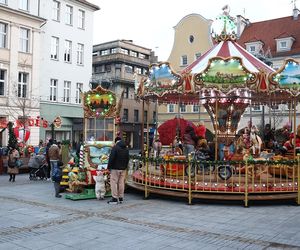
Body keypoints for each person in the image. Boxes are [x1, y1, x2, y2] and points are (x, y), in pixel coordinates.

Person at [107, 137, 129, 204]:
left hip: (115, 168)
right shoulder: (126, 148)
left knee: (114, 182)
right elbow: (127, 158)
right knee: (121, 182)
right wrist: (125, 167)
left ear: (116, 142)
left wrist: (109, 167)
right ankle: (121, 197)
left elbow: (111, 158)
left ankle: (114, 198)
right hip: (123, 169)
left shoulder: (115, 148)